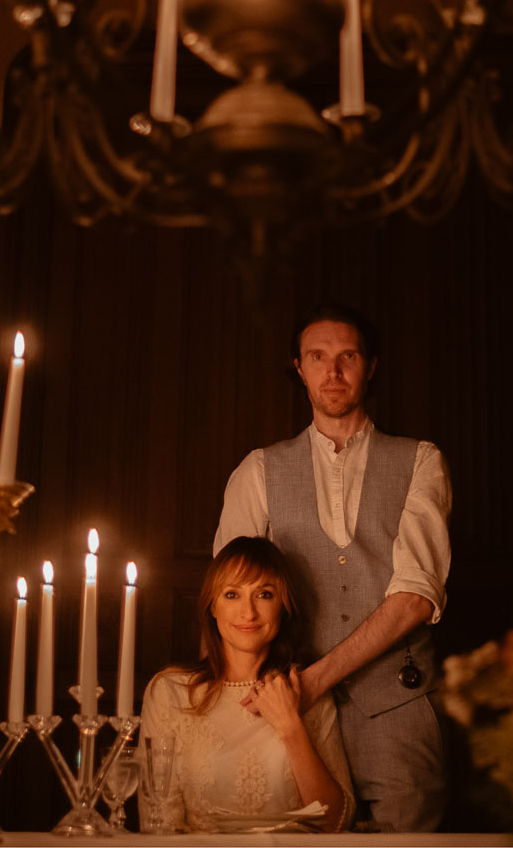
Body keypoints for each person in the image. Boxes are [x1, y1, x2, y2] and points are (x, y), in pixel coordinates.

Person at [214, 302, 452, 831]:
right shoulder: (259, 470)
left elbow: (415, 596)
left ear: (371, 365)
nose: (334, 371)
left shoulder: (421, 460)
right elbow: (230, 595)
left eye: (347, 356)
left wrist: (315, 681)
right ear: (299, 368)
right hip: (286, 709)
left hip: (398, 707)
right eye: (317, 357)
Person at [141, 537, 353, 833]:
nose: (248, 612)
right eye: (232, 595)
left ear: (283, 606)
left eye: (264, 594)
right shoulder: (170, 691)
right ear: (212, 607)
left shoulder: (307, 688)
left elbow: (335, 822)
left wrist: (290, 726)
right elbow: (158, 822)